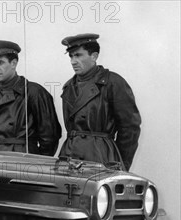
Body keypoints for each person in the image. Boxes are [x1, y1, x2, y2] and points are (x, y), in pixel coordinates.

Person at [58, 33, 141, 170]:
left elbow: (130, 128)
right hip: (69, 156)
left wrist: (120, 164)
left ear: (94, 56)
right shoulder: (68, 87)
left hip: (101, 157)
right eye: (71, 56)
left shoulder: (112, 83)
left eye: (78, 55)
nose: (73, 61)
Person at [0, 40, 61, 155]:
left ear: (14, 63)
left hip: (22, 161)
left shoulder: (34, 92)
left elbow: (50, 137)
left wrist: (36, 163)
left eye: (0, 62)